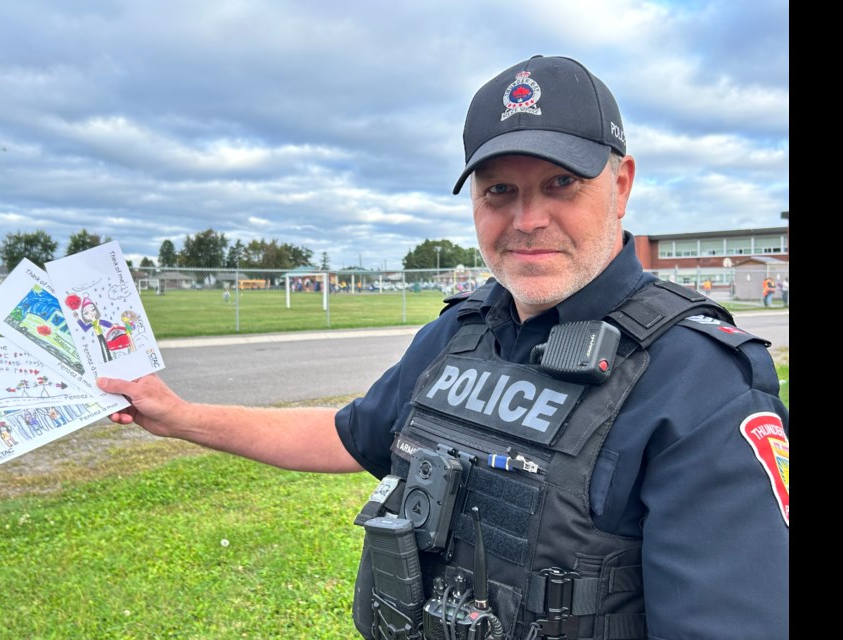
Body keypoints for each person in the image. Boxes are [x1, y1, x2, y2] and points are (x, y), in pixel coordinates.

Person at [98, 55, 788, 639]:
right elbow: (348, 436)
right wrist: (177, 416)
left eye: (561, 185)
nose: (527, 220)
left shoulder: (698, 379)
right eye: (499, 191)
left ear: (622, 185)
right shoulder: (463, 330)